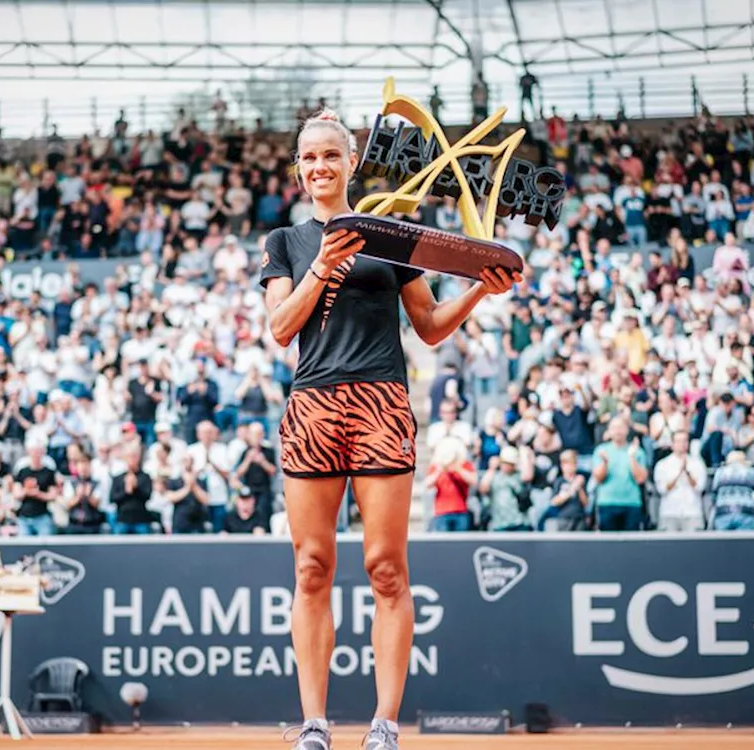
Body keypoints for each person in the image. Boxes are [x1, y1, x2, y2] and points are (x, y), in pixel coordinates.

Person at [260, 108, 519, 750]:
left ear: (352, 162)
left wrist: (480, 292)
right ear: (299, 169)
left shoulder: (391, 236)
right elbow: (280, 328)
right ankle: (315, 725)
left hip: (381, 403)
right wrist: (322, 263)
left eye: (330, 155)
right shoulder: (284, 244)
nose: (320, 166)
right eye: (309, 158)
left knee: (385, 569)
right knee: (312, 567)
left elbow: (429, 327)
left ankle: (383, 725)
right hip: (313, 407)